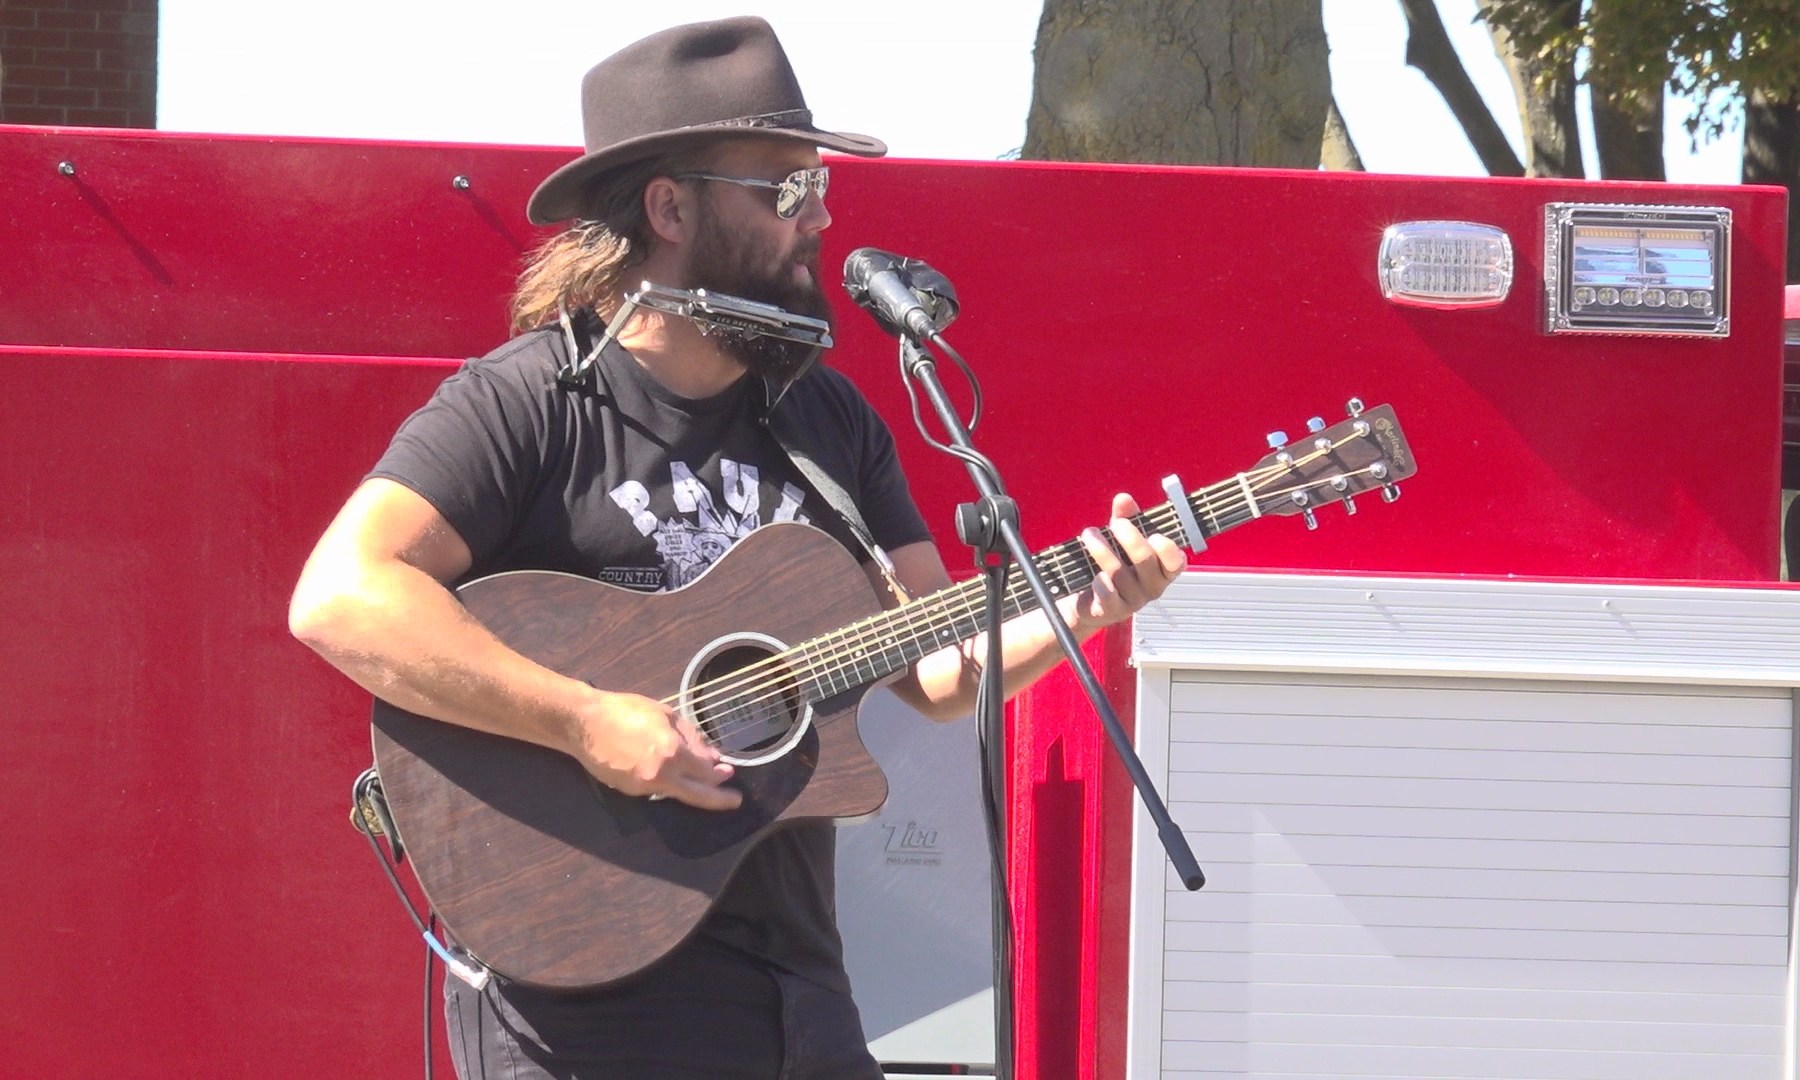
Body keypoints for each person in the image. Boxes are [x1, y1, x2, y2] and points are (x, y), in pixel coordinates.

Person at [287, 16, 1185, 1080]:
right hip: (581, 991)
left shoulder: (828, 421)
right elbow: (341, 596)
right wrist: (585, 721)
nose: (817, 224)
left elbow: (934, 666)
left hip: (795, 989)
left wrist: (1085, 604)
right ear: (671, 206)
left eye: (819, 192)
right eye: (785, 192)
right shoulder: (528, 402)